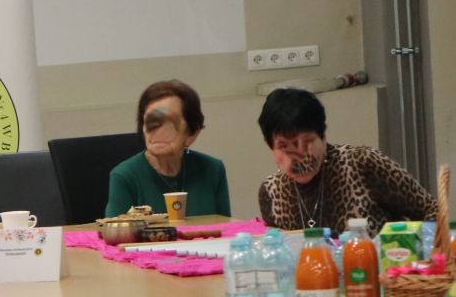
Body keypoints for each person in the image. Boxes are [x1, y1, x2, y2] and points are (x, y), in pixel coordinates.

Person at [257, 87, 437, 234]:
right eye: (284, 147)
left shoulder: (362, 163)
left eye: (306, 143)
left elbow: (432, 210)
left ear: (323, 137)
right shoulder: (271, 192)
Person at [104, 80, 230, 218]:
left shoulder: (213, 170)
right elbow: (115, 230)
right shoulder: (125, 176)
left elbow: (227, 228)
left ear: (192, 134)